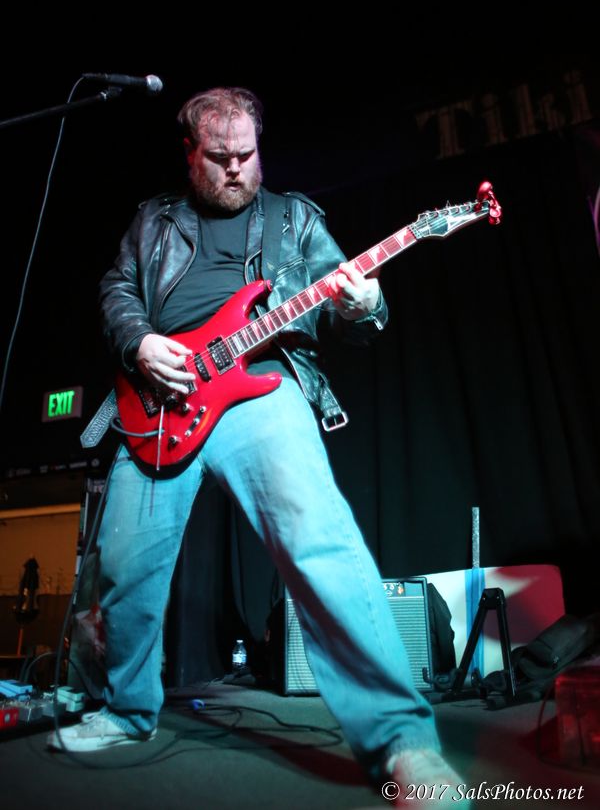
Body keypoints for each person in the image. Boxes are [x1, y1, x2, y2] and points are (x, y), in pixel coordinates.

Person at [48, 87, 468, 807]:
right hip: (159, 402)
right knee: (123, 566)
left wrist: (366, 305)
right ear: (190, 153)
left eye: (247, 153)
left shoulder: (295, 219)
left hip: (260, 389)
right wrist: (140, 342)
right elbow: (117, 289)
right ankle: (125, 709)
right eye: (220, 157)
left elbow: (348, 313)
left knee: (317, 536)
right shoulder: (154, 221)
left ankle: (403, 742)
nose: (238, 168)